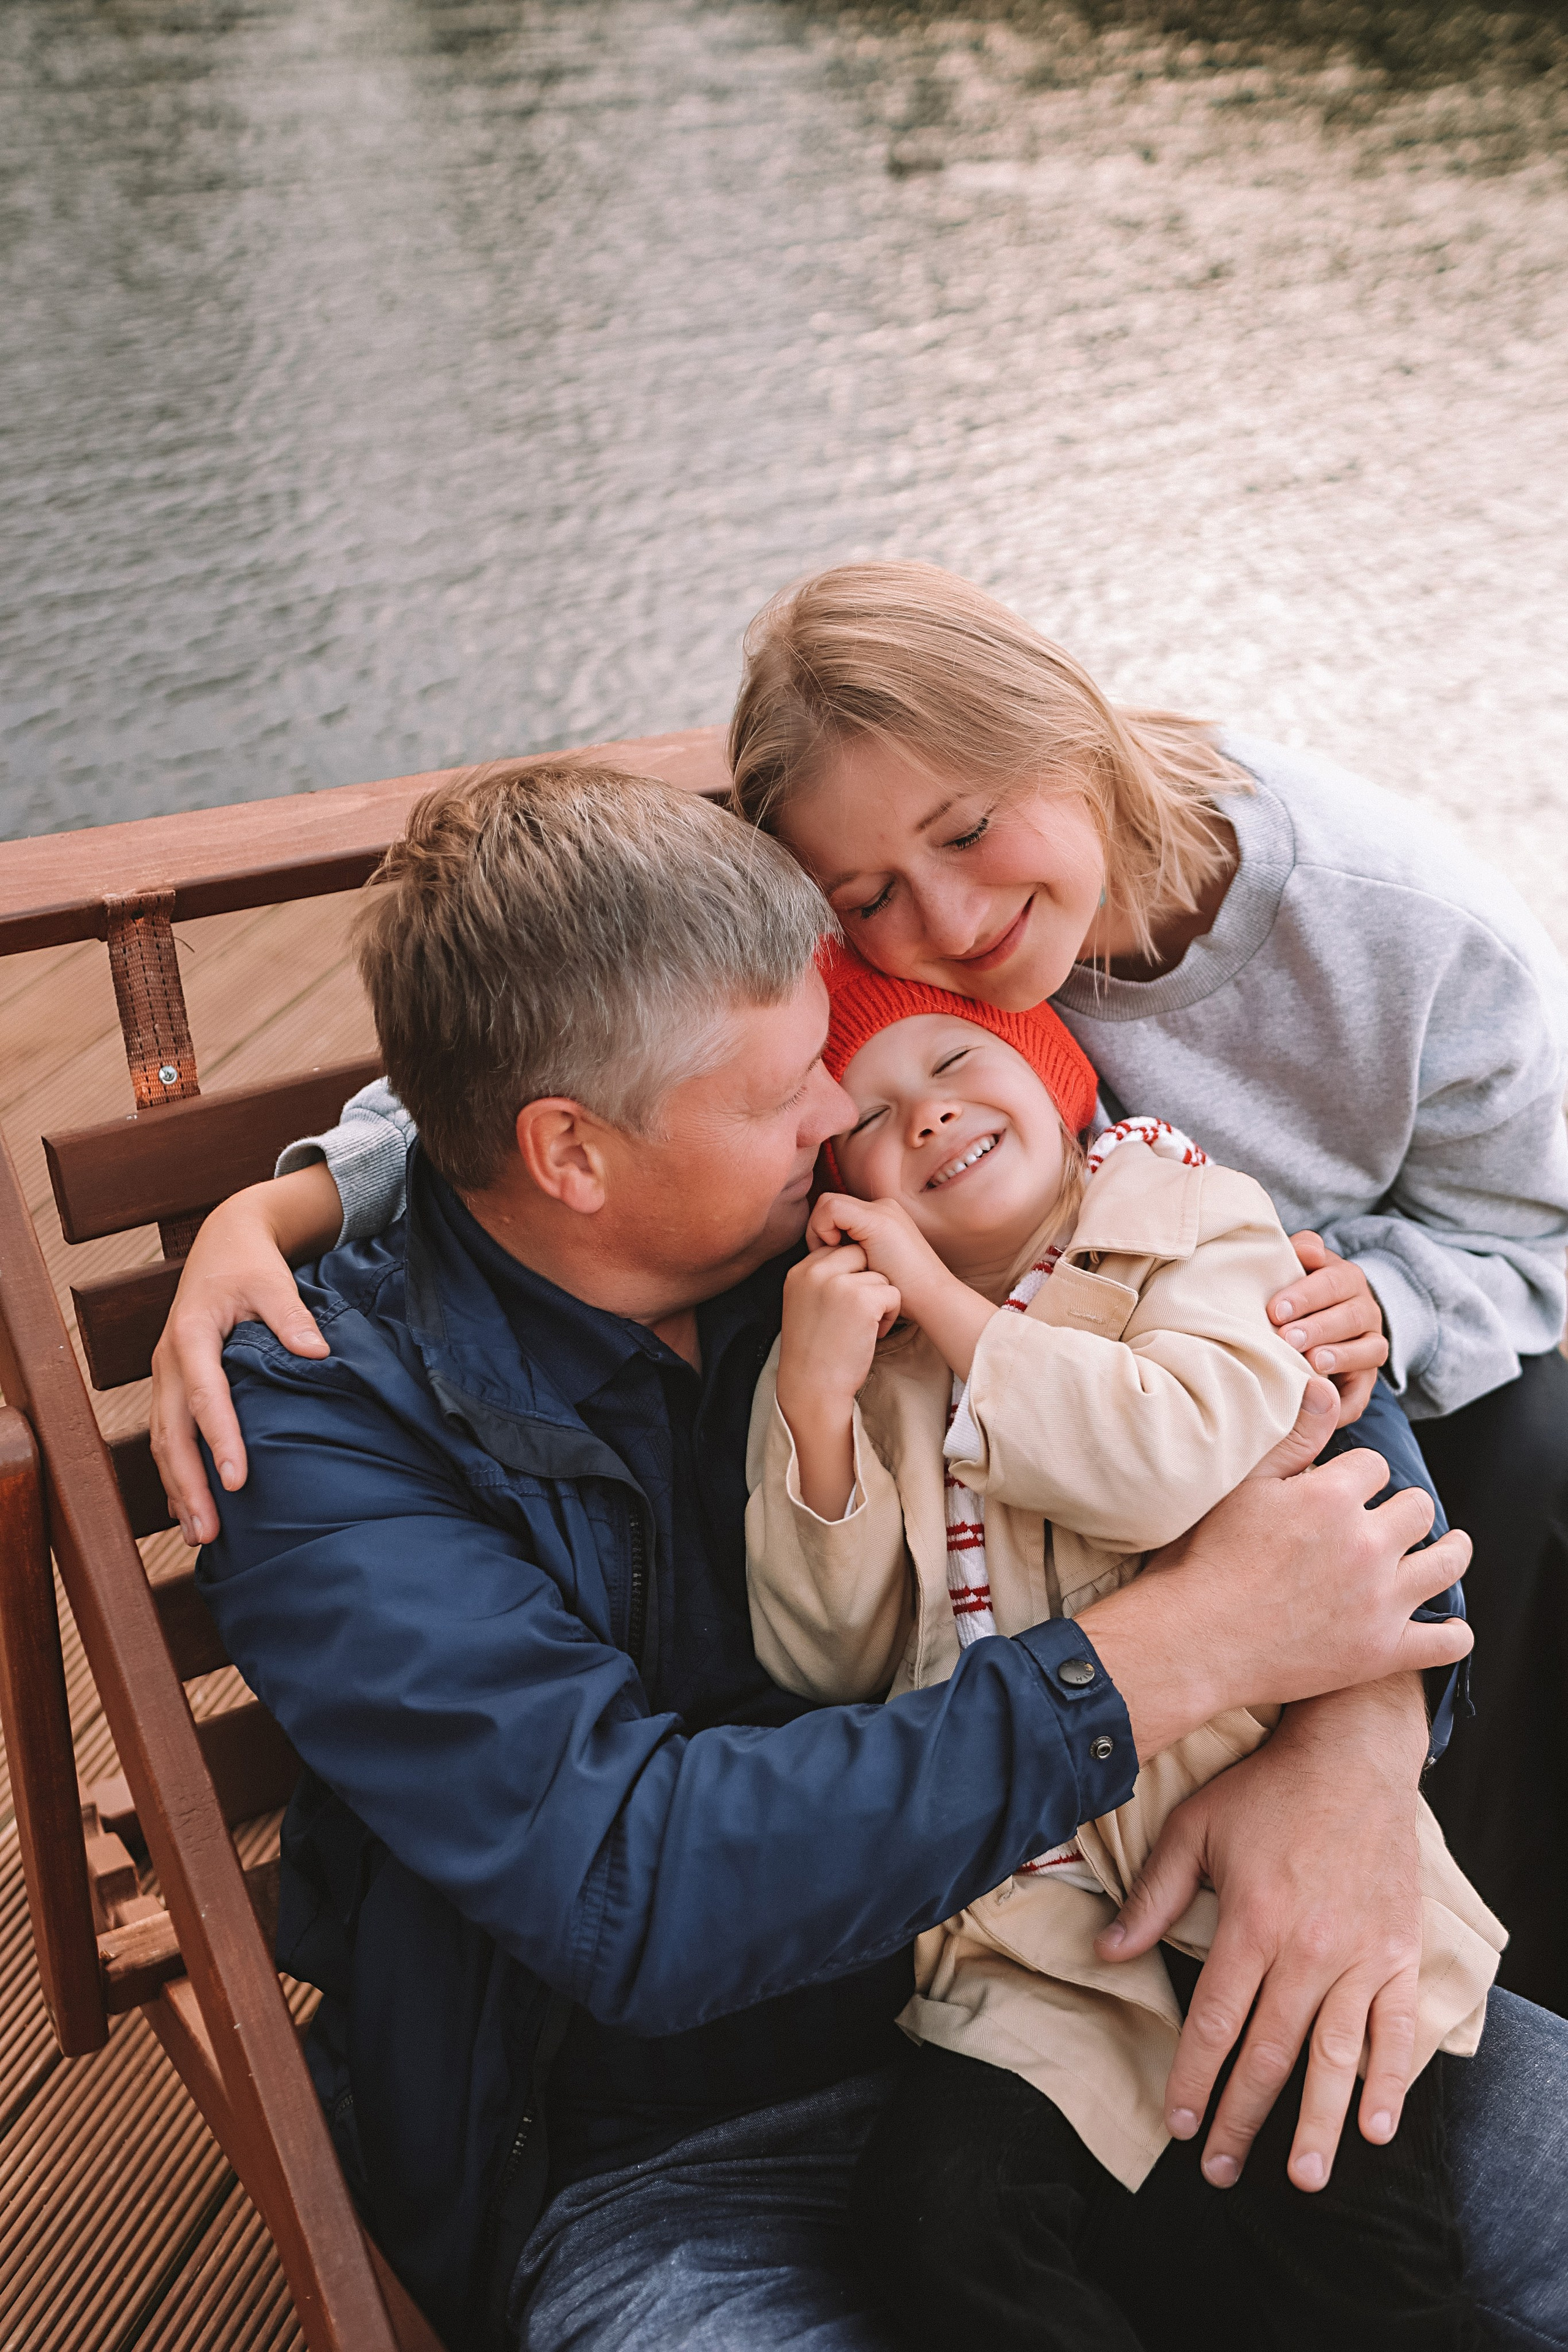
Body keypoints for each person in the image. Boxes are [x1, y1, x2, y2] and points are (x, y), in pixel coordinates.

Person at [157, 761, 1568, 2352]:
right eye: (780, 1092)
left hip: (1143, 1944)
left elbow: (1257, 1355)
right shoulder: (330, 1427)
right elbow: (635, 1882)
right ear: (570, 1156)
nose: (843, 1108)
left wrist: (1351, 1750)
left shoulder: (854, 1190)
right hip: (678, 2153)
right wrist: (1180, 1656)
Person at [726, 561, 1568, 2011]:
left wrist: (1402, 1301)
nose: (948, 919)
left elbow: (1539, 1235)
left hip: (1336, 1375)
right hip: (1095, 1433)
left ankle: (1467, 1926)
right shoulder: (892, 977)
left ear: (1063, 725)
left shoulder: (1399, 924)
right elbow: (597, 1007)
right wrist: (301, 1191)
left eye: (969, 831)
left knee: (1539, 1450)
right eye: (869, 896)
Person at [745, 946, 1501, 2348]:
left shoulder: (1193, 1225)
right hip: (1036, 1938)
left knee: (1352, 2271)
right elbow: (828, 1661)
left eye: (953, 1059)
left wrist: (945, 1304)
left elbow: (1159, 1458)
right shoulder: (863, 1348)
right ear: (832, 1182)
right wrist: (814, 1413)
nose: (921, 1113)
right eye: (867, 1110)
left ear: (1044, 1066)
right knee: (937, 2227)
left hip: (1265, 1881)